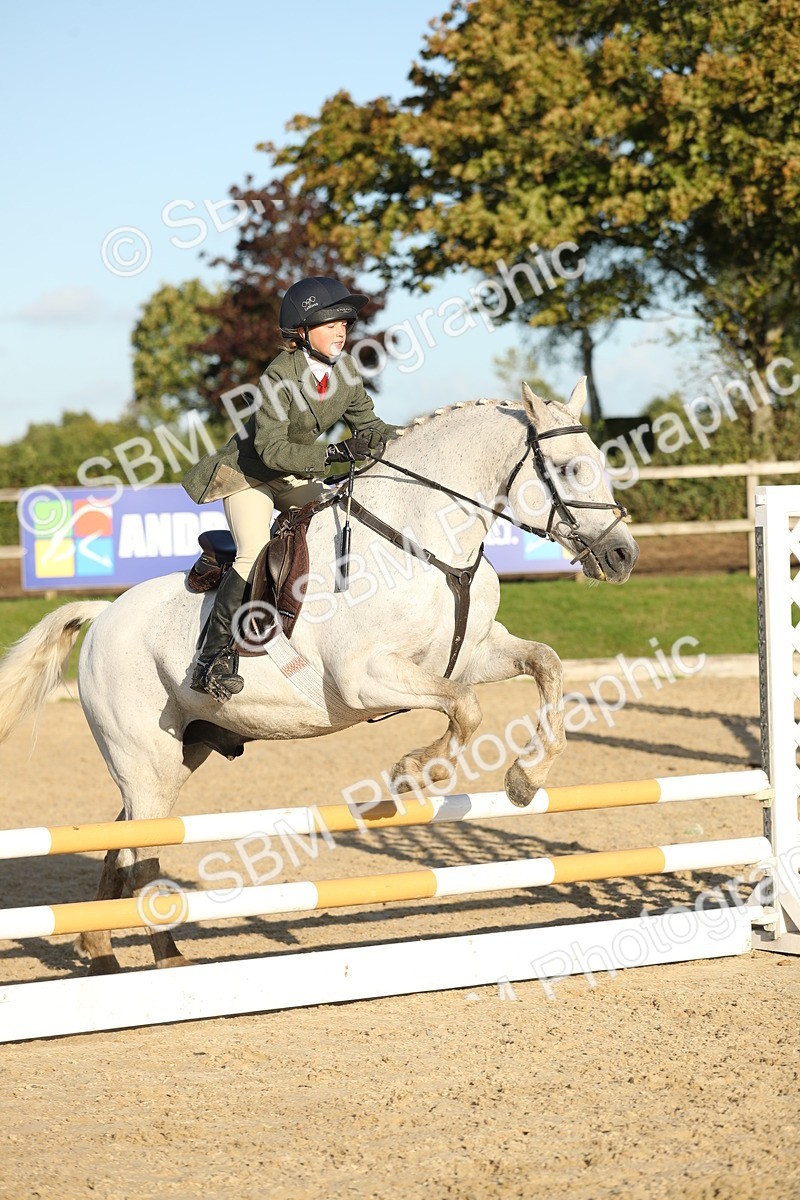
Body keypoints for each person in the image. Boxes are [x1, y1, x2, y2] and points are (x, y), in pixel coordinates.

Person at [182, 276, 400, 700]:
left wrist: (421, 435)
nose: (341, 331)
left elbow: (372, 428)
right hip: (250, 475)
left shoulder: (346, 372)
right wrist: (335, 452)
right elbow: (271, 449)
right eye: (331, 324)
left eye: (345, 324)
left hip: (293, 475)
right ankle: (212, 660)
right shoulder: (279, 376)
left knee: (339, 515)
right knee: (252, 550)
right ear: (301, 330)